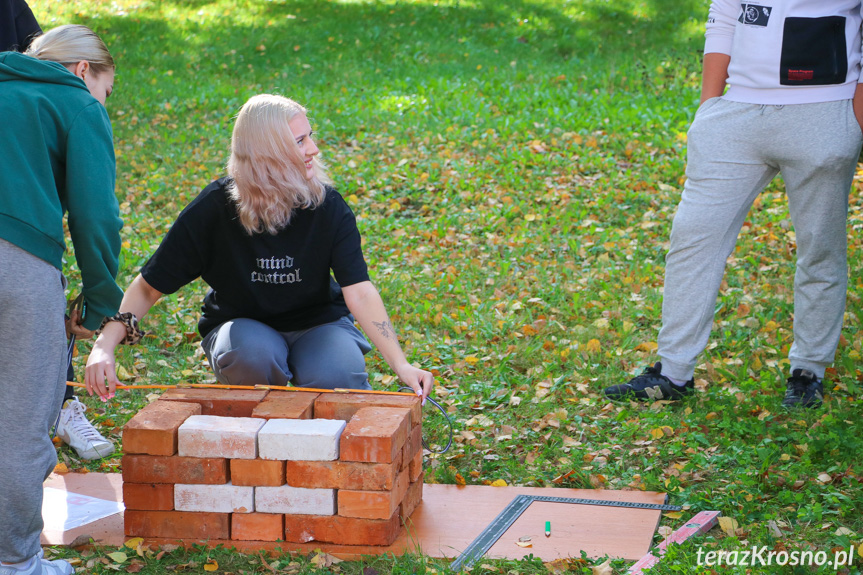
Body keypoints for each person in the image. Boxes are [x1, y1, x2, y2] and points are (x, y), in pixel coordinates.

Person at [86, 94, 434, 405]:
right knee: (251, 354)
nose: (313, 149)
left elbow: (358, 290)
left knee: (337, 375)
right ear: (268, 152)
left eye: (310, 136)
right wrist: (105, 344)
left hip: (318, 325)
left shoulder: (327, 207)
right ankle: (260, 433)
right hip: (244, 328)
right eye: (300, 141)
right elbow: (149, 286)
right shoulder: (214, 209)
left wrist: (401, 364)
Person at [604, 0, 863, 409]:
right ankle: (673, 373)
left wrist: (854, 120)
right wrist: (709, 105)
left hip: (824, 112)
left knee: (820, 249)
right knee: (693, 238)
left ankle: (808, 372)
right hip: (735, 115)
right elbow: (724, 16)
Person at [0, 24, 122, 575]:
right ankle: (15, 561)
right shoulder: (74, 101)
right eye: (107, 92)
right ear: (82, 72)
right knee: (20, 422)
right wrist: (99, 304)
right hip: (18, 261)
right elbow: (96, 217)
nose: (104, 104)